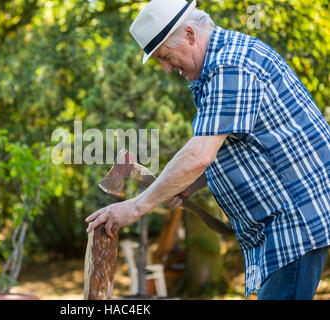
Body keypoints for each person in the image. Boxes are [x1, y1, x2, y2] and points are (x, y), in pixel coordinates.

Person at [85, 0, 330, 299]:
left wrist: (135, 207)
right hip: (283, 222)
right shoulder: (218, 67)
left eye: (165, 56)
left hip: (295, 219)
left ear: (189, 34)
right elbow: (236, 148)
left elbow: (200, 153)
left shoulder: (231, 66)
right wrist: (191, 184)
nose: (165, 68)